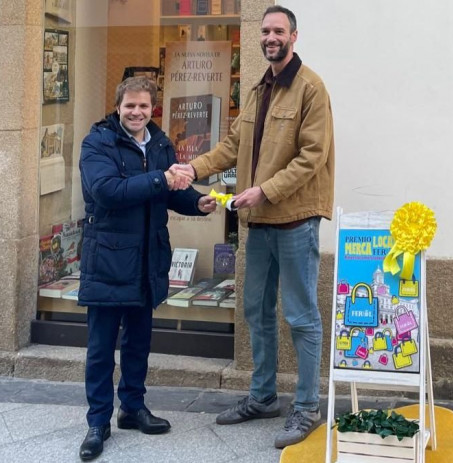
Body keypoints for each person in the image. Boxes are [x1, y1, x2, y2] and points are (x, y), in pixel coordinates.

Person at [173, 5, 335, 449]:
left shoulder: (311, 88)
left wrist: (263, 190)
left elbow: (311, 156)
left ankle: (306, 409)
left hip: (295, 218)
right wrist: (192, 168)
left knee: (301, 317)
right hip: (257, 222)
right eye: (264, 31)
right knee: (255, 312)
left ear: (294, 36)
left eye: (278, 31)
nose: (270, 37)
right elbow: (233, 144)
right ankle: (263, 397)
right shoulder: (258, 88)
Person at [77, 76, 217, 461]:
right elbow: (107, 191)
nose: (137, 113)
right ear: (118, 105)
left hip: (147, 259)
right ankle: (97, 421)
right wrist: (161, 178)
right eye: (130, 106)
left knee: (138, 342)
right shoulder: (97, 142)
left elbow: (172, 192)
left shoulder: (158, 142)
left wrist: (197, 203)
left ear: (152, 108)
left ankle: (133, 408)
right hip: (108, 257)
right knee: (102, 348)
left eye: (143, 107)